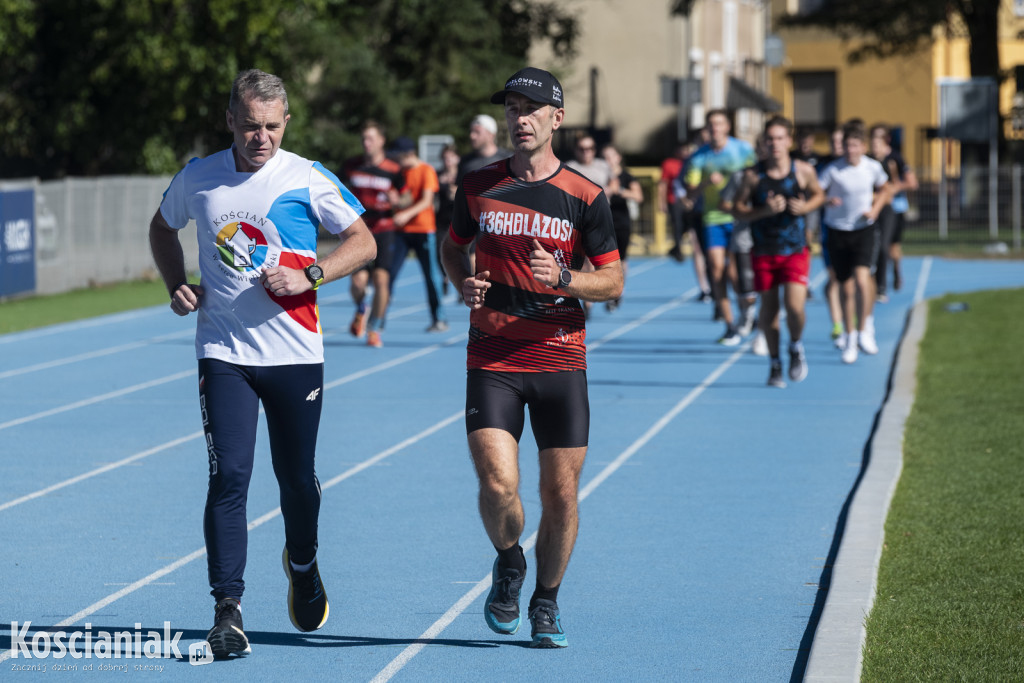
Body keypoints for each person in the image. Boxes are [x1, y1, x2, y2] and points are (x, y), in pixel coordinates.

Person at [148, 69, 376, 658]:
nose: (261, 138)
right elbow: (161, 226)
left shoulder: (306, 177)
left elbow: (363, 240)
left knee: (297, 481)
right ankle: (228, 610)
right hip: (223, 352)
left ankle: (303, 564)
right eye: (250, 126)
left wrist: (311, 274)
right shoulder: (200, 178)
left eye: (272, 127)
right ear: (230, 120)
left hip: (295, 354)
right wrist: (176, 283)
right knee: (229, 476)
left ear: (286, 122)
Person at [440, 67, 623, 649]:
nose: (519, 118)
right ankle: (509, 562)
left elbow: (614, 280)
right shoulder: (478, 185)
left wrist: (566, 278)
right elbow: (453, 247)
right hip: (492, 355)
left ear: (556, 119)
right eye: (512, 108)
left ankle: (546, 600)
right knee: (498, 485)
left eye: (531, 108)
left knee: (560, 494)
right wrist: (461, 284)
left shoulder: (586, 196)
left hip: (560, 359)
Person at [733, 116, 825, 387]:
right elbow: (737, 209)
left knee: (795, 307)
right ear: (764, 142)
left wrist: (805, 208)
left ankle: (796, 345)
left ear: (789, 141)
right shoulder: (753, 176)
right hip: (763, 250)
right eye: (770, 139)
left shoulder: (803, 170)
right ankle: (775, 363)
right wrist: (763, 211)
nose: (775, 144)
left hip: (794, 249)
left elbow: (819, 194)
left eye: (780, 138)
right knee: (768, 311)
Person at [818, 121, 891, 364]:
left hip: (864, 230)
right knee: (846, 288)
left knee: (863, 279)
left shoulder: (872, 167)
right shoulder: (833, 170)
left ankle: (865, 328)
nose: (851, 150)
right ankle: (850, 338)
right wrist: (827, 200)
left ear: (863, 146)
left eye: (855, 145)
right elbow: (815, 193)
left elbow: (885, 189)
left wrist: (875, 209)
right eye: (847, 145)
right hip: (838, 231)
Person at [683, 109, 756, 345]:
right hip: (712, 218)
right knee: (716, 270)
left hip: (737, 218)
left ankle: (746, 312)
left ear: (727, 127)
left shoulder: (742, 150)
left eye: (719, 124)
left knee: (734, 273)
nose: (715, 129)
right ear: (707, 129)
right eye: (711, 125)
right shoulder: (699, 157)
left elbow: (756, 178)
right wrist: (706, 182)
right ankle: (730, 325)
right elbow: (690, 193)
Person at [343, 120, 405, 347]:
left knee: (381, 281)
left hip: (384, 230)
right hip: (359, 231)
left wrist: (399, 201)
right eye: (363, 139)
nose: (366, 143)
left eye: (370, 138)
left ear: (381, 141)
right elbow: (339, 190)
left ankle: (374, 327)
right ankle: (362, 307)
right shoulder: (351, 166)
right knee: (358, 283)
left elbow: (406, 197)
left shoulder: (394, 169)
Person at [389, 136, 448, 331]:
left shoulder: (426, 170)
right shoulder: (398, 174)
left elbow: (426, 201)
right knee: (388, 273)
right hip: (401, 232)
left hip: (423, 230)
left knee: (431, 276)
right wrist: (394, 202)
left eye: (398, 157)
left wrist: (405, 214)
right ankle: (377, 322)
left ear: (407, 154)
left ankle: (438, 318)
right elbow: (402, 200)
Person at [869, 124, 918, 299]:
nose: (875, 145)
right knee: (877, 246)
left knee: (891, 247)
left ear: (886, 140)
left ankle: (895, 270)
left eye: (879, 139)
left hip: (894, 208)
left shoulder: (895, 158)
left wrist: (892, 189)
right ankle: (875, 282)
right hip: (874, 208)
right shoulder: (868, 161)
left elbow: (912, 183)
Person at [602, 142, 644, 310]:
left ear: (618, 158)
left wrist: (618, 190)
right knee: (604, 259)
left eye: (610, 156)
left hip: (621, 221)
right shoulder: (600, 175)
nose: (608, 160)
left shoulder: (626, 176)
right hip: (602, 221)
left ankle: (619, 290)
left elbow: (638, 196)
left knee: (621, 259)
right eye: (604, 157)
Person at [456, 114, 513, 185]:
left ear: (491, 135)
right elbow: (458, 189)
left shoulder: (509, 159)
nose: (472, 136)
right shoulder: (465, 161)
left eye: (477, 132)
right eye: (471, 131)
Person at [436, 144, 461, 295]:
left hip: (459, 219)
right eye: (445, 158)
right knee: (440, 251)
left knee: (461, 251)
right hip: (441, 220)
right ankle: (446, 276)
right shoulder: (438, 175)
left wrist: (458, 193)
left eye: (451, 157)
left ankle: (460, 280)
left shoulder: (462, 174)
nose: (448, 161)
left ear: (457, 158)